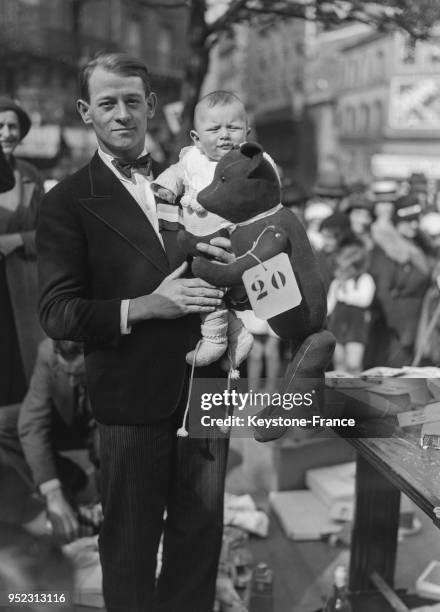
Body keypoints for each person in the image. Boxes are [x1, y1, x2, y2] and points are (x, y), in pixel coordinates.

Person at [37, 52, 232, 612]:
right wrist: (147, 305)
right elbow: (57, 313)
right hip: (130, 395)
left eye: (131, 101)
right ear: (86, 112)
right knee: (128, 547)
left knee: (200, 542)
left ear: (150, 106)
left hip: (208, 386)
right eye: (107, 103)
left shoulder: (196, 181)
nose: (121, 114)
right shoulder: (66, 201)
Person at [152, 91, 254, 369]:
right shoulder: (191, 159)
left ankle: (216, 337)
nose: (224, 135)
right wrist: (166, 186)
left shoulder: (250, 162)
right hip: (195, 235)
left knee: (209, 281)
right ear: (196, 138)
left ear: (247, 132)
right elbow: (175, 173)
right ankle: (235, 331)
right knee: (198, 282)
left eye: (232, 128)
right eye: (214, 129)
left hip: (229, 235)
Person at [0, 340, 98, 535]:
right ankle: (70, 482)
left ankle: (105, 506)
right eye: (66, 373)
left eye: (77, 374)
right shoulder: (47, 352)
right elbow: (32, 422)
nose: (71, 382)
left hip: (108, 425)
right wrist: (52, 491)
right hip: (68, 422)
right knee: (3, 424)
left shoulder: (116, 350)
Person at [0, 97, 45, 406]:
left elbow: (49, 233)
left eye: (13, 126)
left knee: (16, 357)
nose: (6, 133)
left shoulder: (31, 175)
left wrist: (16, 240)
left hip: (19, 281)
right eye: (0, 126)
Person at [327, 244, 375, 374]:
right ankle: (340, 392)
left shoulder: (365, 279)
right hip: (337, 324)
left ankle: (356, 392)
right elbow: (329, 305)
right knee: (339, 362)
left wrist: (345, 290)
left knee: (353, 364)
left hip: (356, 326)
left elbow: (365, 301)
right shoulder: (336, 283)